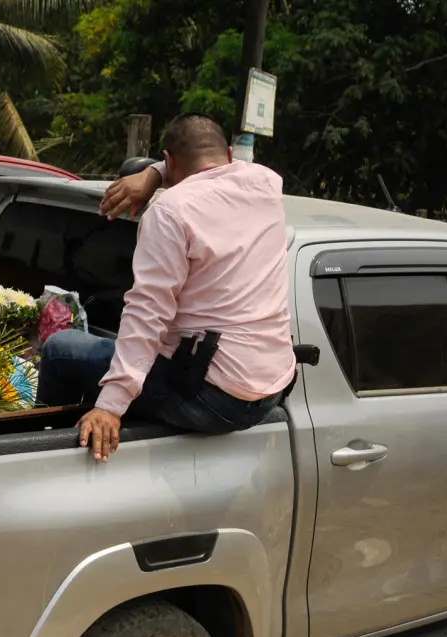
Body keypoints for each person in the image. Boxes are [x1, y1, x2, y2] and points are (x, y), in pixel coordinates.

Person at [37, 113, 296, 462]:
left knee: (60, 348)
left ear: (170, 159)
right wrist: (155, 173)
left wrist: (110, 406)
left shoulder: (171, 211)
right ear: (231, 156)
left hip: (214, 399)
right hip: (271, 389)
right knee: (123, 350)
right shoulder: (267, 183)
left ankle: (43, 454)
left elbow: (148, 312)